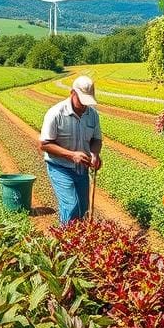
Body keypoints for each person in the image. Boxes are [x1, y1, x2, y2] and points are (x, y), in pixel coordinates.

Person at [38, 75, 103, 223]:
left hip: (82, 169)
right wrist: (71, 155)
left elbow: (96, 139)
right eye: (81, 100)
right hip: (60, 168)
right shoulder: (56, 113)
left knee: (83, 209)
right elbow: (44, 144)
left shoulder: (92, 115)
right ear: (72, 93)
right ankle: (65, 242)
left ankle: (79, 244)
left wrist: (94, 154)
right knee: (71, 206)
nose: (84, 105)